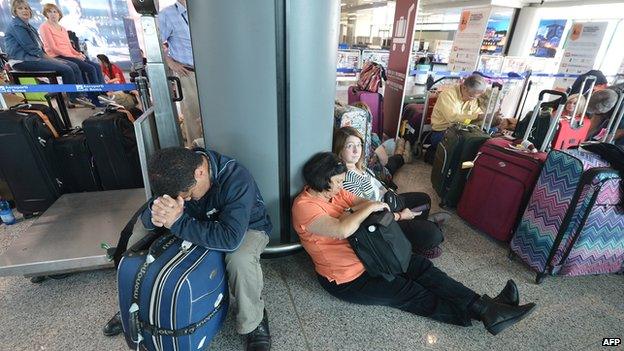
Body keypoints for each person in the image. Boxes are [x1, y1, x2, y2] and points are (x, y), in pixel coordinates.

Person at [292, 152, 537, 335]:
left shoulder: (334, 193)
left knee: (422, 268)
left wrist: (363, 208)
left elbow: (361, 202)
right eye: (335, 182)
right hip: (348, 279)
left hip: (371, 256)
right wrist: (364, 210)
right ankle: (480, 315)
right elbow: (342, 228)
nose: (340, 186)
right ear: (321, 181)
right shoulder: (305, 207)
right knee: (410, 292)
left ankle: (486, 307)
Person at [103, 147, 273, 351]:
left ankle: (254, 321)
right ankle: (133, 308)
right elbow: (150, 217)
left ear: (200, 172)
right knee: (139, 235)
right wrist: (155, 213)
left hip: (244, 229)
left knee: (240, 260)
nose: (189, 199)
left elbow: (230, 239)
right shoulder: (174, 174)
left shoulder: (236, 177)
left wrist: (177, 222)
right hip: (194, 222)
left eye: (190, 195)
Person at [333, 126, 449, 258]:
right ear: (340, 150)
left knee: (424, 199)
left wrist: (390, 194)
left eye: (359, 145)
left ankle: (413, 236)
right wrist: (400, 215)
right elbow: (368, 214)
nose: (356, 150)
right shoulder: (345, 178)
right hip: (382, 219)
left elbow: (380, 187)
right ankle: (416, 233)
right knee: (434, 234)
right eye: (350, 146)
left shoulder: (360, 167)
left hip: (388, 202)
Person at [4, 0, 94, 107]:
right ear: (15, 11)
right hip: (22, 61)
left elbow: (39, 48)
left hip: (34, 58)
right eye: (20, 8)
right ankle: (73, 98)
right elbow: (32, 49)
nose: (25, 10)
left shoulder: (29, 26)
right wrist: (53, 59)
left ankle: (81, 96)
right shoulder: (17, 26)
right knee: (66, 68)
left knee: (73, 65)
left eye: (26, 8)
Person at [38, 3, 104, 107]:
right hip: (57, 56)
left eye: (55, 11)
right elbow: (53, 48)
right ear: (46, 14)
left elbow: (69, 47)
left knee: (96, 66)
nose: (53, 14)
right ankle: (93, 96)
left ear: (59, 14)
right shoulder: (44, 27)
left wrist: (78, 54)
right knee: (90, 68)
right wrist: (74, 56)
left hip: (69, 55)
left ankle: (102, 92)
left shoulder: (63, 28)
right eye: (50, 12)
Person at [158, 0, 203, 146]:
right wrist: (170, 62)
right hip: (189, 74)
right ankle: (196, 158)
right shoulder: (167, 14)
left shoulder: (204, 10)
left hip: (214, 73)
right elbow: (156, 43)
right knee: (194, 119)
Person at [429, 74, 488, 151]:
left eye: (475, 97)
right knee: (466, 146)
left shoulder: (472, 98)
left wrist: (486, 118)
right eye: (471, 96)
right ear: (464, 87)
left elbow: (476, 114)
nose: (473, 99)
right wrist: (477, 117)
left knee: (483, 139)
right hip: (442, 132)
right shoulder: (448, 95)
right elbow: (452, 119)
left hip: (461, 130)